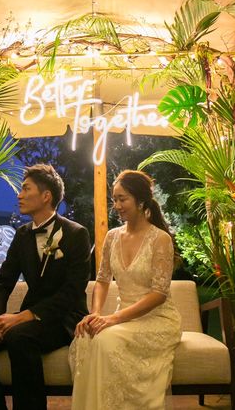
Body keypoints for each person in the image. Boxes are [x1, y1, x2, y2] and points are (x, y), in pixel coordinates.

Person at [0, 164, 91, 410]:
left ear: (46, 196)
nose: (19, 195)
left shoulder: (76, 234)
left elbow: (72, 291)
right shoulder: (22, 235)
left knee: (20, 336)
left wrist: (25, 316)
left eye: (26, 189)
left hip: (63, 318)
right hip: (28, 318)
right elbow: (2, 282)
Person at [69, 170, 182, 410]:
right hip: (124, 319)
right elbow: (102, 280)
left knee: (105, 340)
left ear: (140, 201)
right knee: (87, 337)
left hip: (158, 319)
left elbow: (159, 294)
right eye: (114, 199)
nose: (117, 206)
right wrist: (96, 313)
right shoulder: (112, 237)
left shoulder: (160, 239)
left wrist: (112, 319)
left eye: (123, 199)